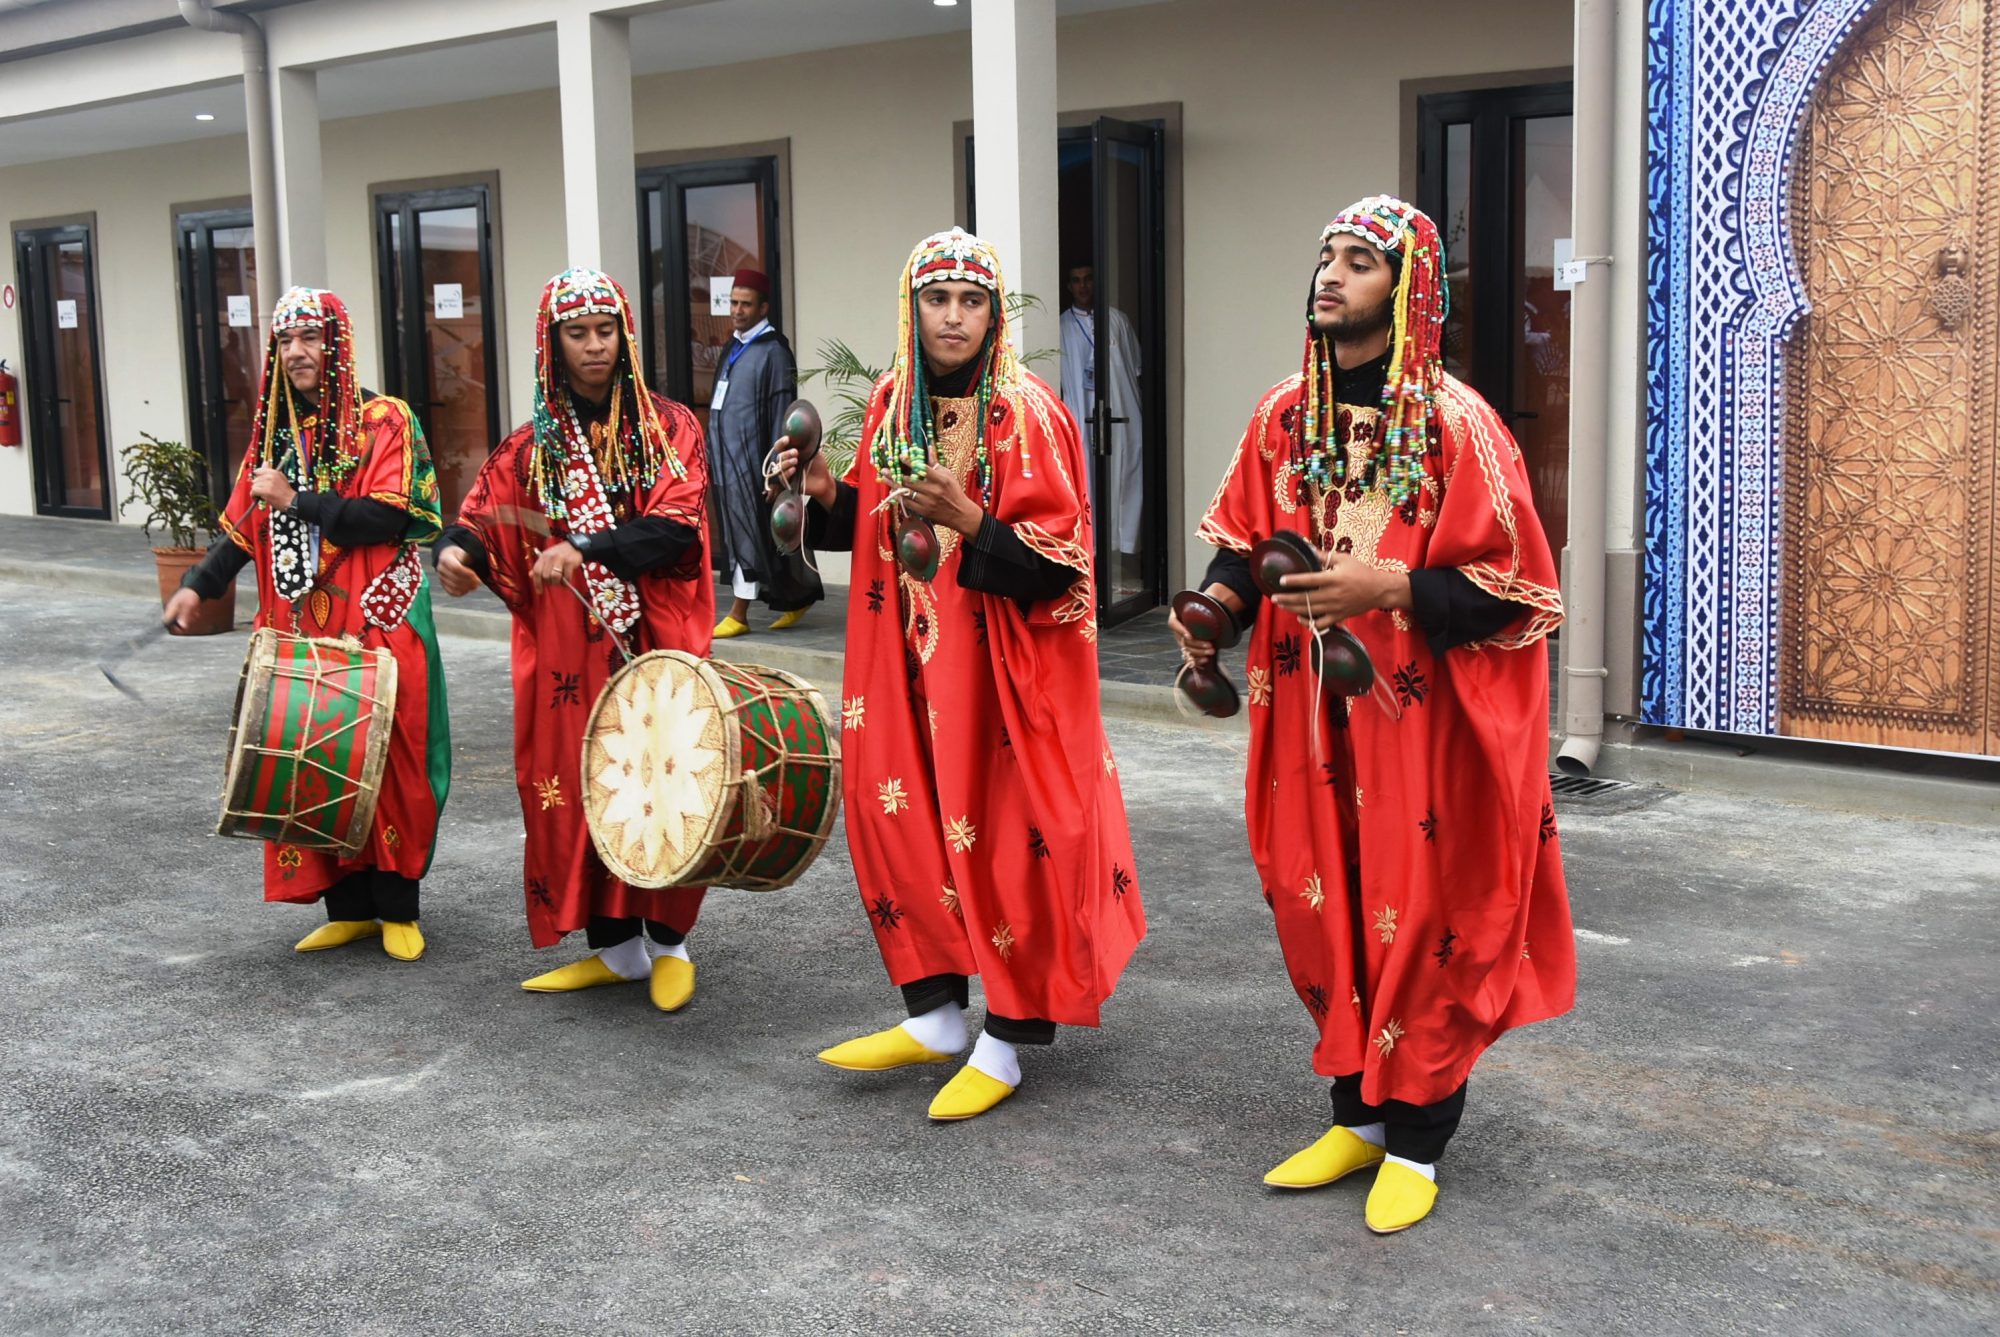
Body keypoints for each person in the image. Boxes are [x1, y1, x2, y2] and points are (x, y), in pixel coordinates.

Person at [1175, 197, 1574, 1233]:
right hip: (1302, 722)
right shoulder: (1279, 415)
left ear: (1406, 292)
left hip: (1416, 728)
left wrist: (1388, 588)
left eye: (1358, 262)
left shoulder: (1457, 422)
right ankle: (1354, 1114)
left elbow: (1522, 590)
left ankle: (1417, 1143)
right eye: (1325, 258)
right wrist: (1215, 606)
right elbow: (1242, 539)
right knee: (1320, 903)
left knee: (1421, 918)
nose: (1331, 275)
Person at [779, 228, 1146, 1121]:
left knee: (1012, 839)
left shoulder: (1031, 413)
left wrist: (974, 522)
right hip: (901, 664)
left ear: (993, 314)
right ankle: (938, 1014)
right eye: (937, 299)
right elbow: (873, 530)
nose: (954, 316)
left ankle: (1008, 1039)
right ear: (914, 309)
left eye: (971, 301)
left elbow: (1063, 567)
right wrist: (830, 491)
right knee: (896, 822)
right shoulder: (894, 403)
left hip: (998, 677)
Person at [433, 267, 713, 1011]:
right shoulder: (530, 449)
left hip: (654, 642)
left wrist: (586, 547)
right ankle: (616, 951)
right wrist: (455, 553)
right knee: (576, 785)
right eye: (577, 333)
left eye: (605, 330)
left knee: (664, 782)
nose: (594, 346)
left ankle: (670, 942)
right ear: (551, 344)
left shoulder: (669, 428)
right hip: (565, 657)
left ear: (625, 336)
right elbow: (479, 513)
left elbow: (675, 527)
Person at [165, 286, 450, 963]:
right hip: (304, 626)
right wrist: (196, 587)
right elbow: (242, 530)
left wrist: (299, 499)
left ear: (338, 344)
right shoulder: (271, 437)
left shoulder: (386, 420)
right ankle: (347, 907)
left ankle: (398, 907)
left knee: (393, 754)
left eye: (311, 337)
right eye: (286, 340)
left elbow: (386, 514)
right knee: (312, 754)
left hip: (380, 614)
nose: (297, 351)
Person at [709, 267, 821, 639]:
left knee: (749, 533)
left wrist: (777, 467)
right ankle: (798, 595)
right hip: (727, 460)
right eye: (733, 303)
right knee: (769, 534)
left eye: (746, 304)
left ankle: (739, 613)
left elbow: (781, 413)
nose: (737, 310)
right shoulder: (734, 346)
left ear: (763, 307)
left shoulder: (773, 351)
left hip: (754, 461)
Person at [1057, 262, 1144, 556]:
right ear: (1069, 286)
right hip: (1081, 414)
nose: (1083, 286)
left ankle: (1123, 545)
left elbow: (1135, 367)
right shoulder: (1062, 326)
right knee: (1086, 477)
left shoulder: (1116, 320)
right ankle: (1091, 548)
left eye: (1088, 279)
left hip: (1118, 412)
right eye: (1076, 280)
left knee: (1124, 471)